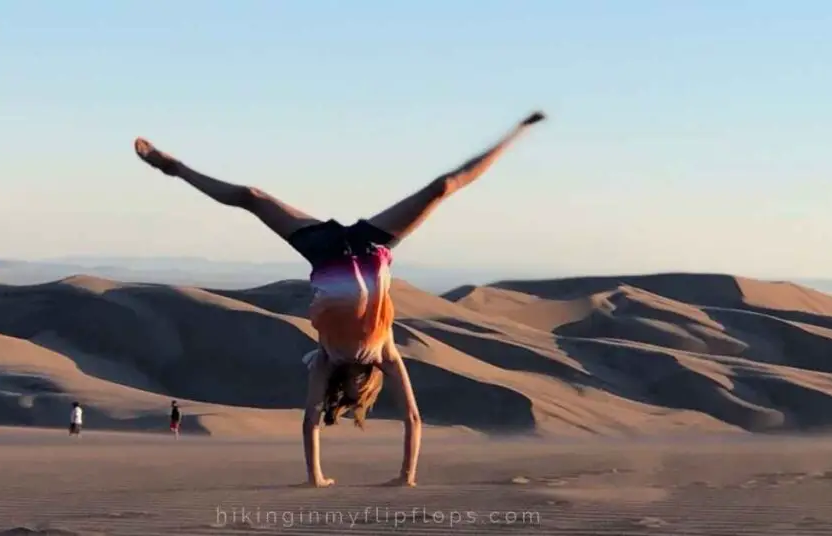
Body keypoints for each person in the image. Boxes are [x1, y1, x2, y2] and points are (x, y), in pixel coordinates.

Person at [133, 111, 545, 487]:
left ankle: (175, 168)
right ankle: (515, 136)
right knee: (442, 187)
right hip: (371, 246)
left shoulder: (325, 359)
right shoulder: (384, 353)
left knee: (253, 198)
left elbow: (311, 420)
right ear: (363, 387)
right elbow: (412, 419)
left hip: (326, 251)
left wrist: (317, 477)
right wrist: (408, 476)